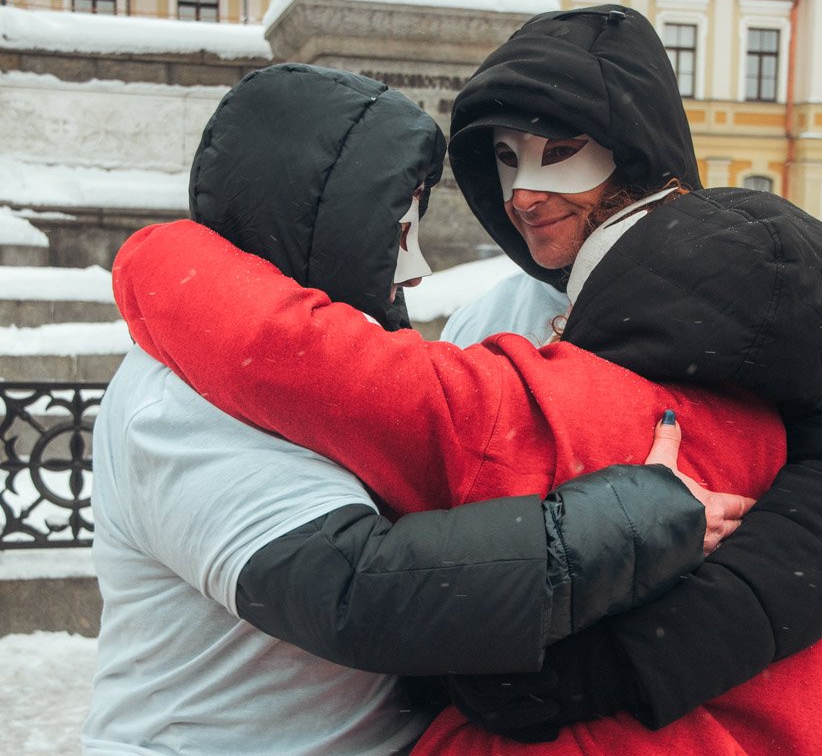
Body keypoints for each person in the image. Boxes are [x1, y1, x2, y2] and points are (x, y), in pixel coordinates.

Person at [111, 191, 822, 756]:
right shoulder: (807, 490)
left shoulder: (575, 411)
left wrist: (159, 256)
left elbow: (311, 365)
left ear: (635, 288)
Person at [83, 63, 752, 756]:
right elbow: (359, 595)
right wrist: (627, 525)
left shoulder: (315, 370)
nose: (417, 269)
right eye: (396, 239)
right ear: (326, 230)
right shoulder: (177, 403)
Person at [437, 3, 822, 738]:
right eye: (503, 158)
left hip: (720, 711)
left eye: (558, 151)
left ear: (631, 150)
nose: (523, 195)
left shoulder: (776, 283)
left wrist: (623, 663)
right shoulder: (483, 317)